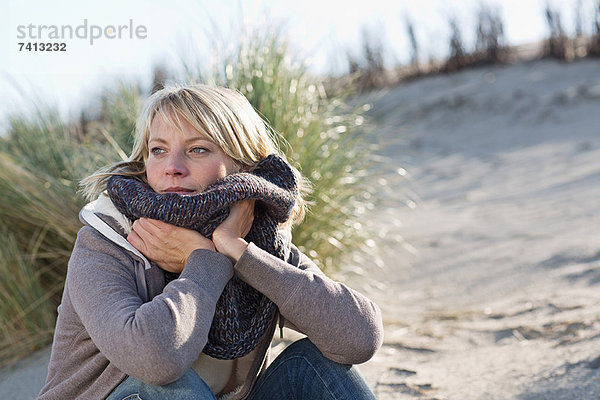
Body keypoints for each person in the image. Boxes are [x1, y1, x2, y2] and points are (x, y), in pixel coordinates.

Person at [38, 84, 383, 400]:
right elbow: (156, 360)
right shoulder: (108, 240)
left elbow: (358, 338)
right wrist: (207, 260)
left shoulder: (260, 240)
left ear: (243, 166)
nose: (172, 167)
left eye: (198, 149)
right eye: (158, 150)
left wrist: (239, 252)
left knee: (311, 365)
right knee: (166, 390)